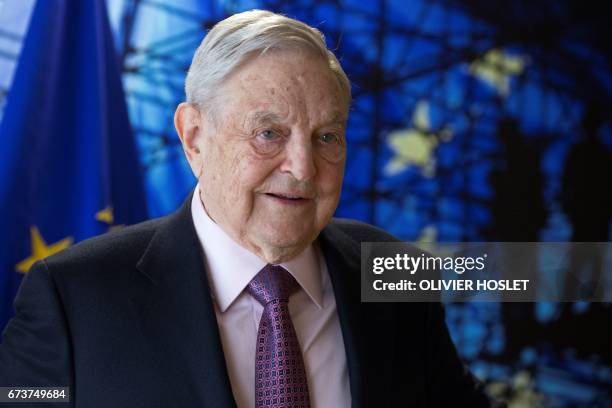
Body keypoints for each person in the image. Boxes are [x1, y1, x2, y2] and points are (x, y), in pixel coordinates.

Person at [0, 10, 495, 408]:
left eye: (327, 136)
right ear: (194, 137)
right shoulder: (74, 296)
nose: (302, 168)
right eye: (268, 134)